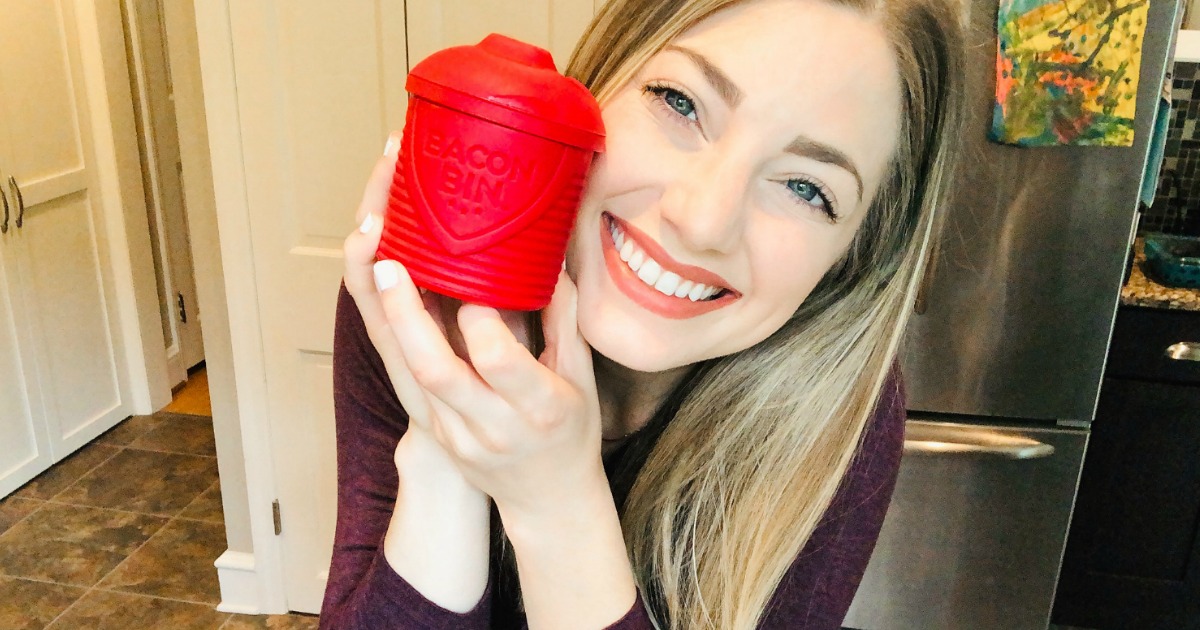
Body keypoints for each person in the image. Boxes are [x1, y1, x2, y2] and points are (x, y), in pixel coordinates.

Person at [321, 0, 965, 627]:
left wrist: (558, 509)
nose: (702, 219)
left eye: (806, 187)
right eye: (679, 103)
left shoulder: (842, 419)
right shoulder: (428, 301)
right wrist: (447, 436)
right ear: (597, 86)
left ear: (853, 253)